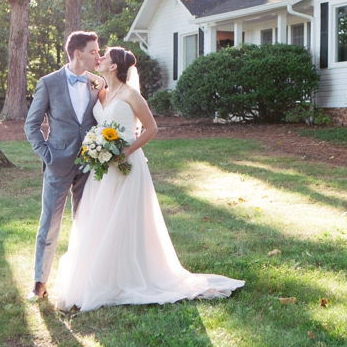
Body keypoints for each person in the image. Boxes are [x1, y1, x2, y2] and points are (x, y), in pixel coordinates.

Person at [52, 47, 244, 311]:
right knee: (103, 216)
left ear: (114, 66)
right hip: (104, 166)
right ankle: (101, 272)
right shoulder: (102, 91)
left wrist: (126, 151)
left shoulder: (132, 95)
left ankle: (132, 274)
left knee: (126, 218)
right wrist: (100, 148)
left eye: (104, 57)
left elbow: (152, 128)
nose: (100, 59)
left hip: (128, 163)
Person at [24, 31, 104, 301]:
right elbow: (31, 124)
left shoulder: (98, 83)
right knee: (49, 225)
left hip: (90, 164)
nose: (98, 56)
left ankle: (84, 280)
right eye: (94, 51)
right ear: (78, 53)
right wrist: (47, 154)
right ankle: (39, 282)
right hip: (57, 163)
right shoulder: (48, 83)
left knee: (86, 222)